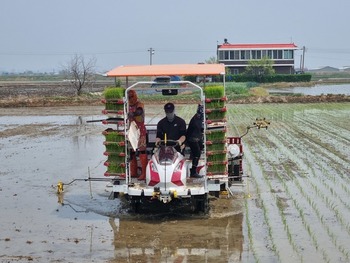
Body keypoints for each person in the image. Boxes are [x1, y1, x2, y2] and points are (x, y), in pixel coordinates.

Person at [127, 90, 147, 180]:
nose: (131, 99)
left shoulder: (140, 104)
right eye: (129, 97)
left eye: (132, 97)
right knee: (131, 152)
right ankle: (133, 172)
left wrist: (133, 114)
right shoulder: (126, 106)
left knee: (142, 151)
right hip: (131, 131)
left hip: (140, 131)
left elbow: (139, 112)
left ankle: (144, 173)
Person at [186, 104, 204, 178]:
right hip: (192, 138)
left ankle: (192, 156)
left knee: (201, 147)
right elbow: (200, 127)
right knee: (197, 153)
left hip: (196, 137)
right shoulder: (197, 118)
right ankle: (193, 171)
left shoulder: (198, 117)